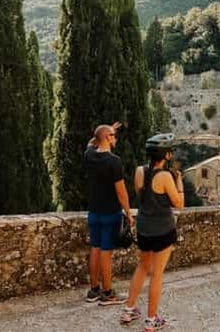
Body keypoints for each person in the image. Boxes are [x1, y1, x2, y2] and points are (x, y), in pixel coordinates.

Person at [120, 133, 184, 331]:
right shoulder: (165, 176)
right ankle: (151, 319)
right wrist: (179, 182)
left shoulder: (140, 171)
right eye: (170, 151)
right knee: (157, 274)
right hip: (162, 228)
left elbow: (142, 194)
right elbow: (179, 204)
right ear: (166, 155)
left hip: (144, 227)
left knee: (142, 266)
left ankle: (129, 310)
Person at [84, 122, 132, 306]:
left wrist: (103, 130)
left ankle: (93, 290)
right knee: (106, 252)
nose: (115, 138)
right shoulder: (114, 161)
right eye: (112, 134)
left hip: (94, 212)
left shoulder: (89, 155)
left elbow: (91, 142)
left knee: (95, 249)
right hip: (110, 213)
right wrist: (128, 212)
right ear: (107, 138)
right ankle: (108, 293)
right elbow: (121, 191)